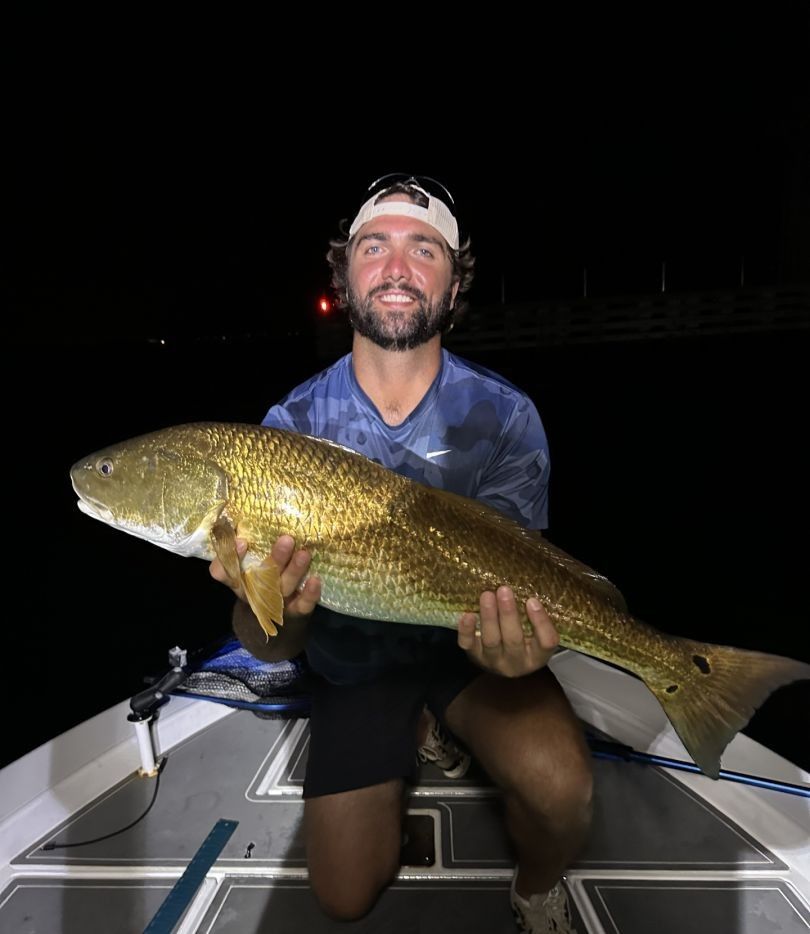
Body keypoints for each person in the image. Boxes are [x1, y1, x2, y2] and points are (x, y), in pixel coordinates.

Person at [210, 173, 592, 933]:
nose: (396, 265)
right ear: (344, 273)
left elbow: (518, 578)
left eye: (425, 249)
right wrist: (268, 611)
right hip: (352, 661)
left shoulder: (506, 417)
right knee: (343, 896)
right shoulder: (285, 428)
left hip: (464, 655)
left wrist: (512, 653)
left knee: (563, 789)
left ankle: (535, 887)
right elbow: (274, 641)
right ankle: (413, 726)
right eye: (373, 245)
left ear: (454, 285)